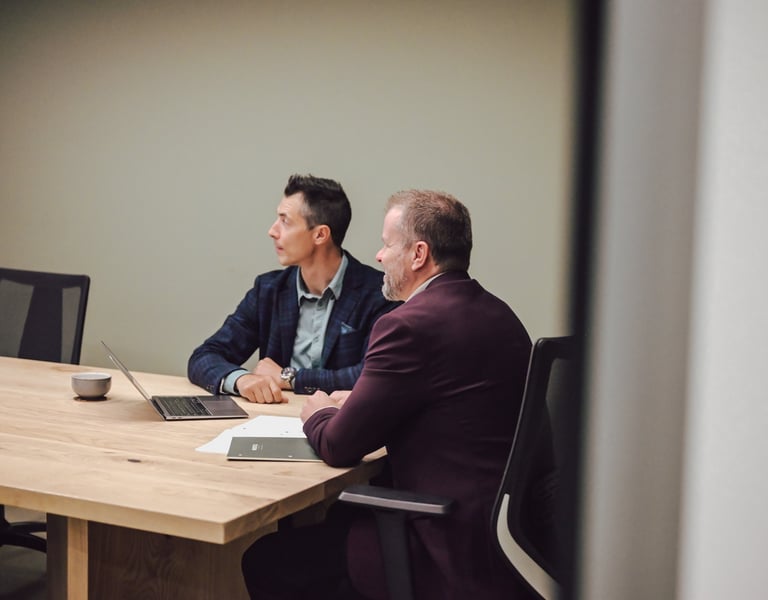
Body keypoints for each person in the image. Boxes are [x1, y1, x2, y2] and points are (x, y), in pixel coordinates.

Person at [241, 190, 535, 599]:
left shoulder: (408, 325)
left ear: (418, 254)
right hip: (505, 542)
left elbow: (339, 446)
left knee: (266, 559)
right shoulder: (498, 313)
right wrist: (360, 399)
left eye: (387, 244)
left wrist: (319, 410)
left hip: (441, 545)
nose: (378, 256)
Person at [188, 174, 398, 404]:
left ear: (320, 234)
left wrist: (289, 378)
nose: (272, 231)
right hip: (274, 420)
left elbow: (373, 377)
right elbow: (204, 356)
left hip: (342, 426)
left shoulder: (380, 294)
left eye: (285, 221)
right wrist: (241, 380)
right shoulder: (268, 290)